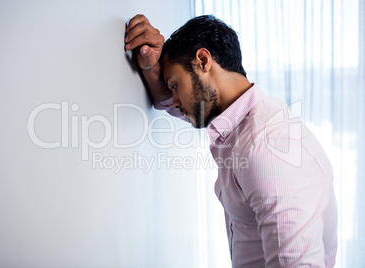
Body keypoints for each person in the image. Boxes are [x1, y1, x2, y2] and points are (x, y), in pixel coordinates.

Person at [124, 14, 338, 267]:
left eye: (175, 86)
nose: (175, 102)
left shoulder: (266, 148)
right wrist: (151, 67)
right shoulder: (243, 120)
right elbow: (166, 102)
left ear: (203, 61)